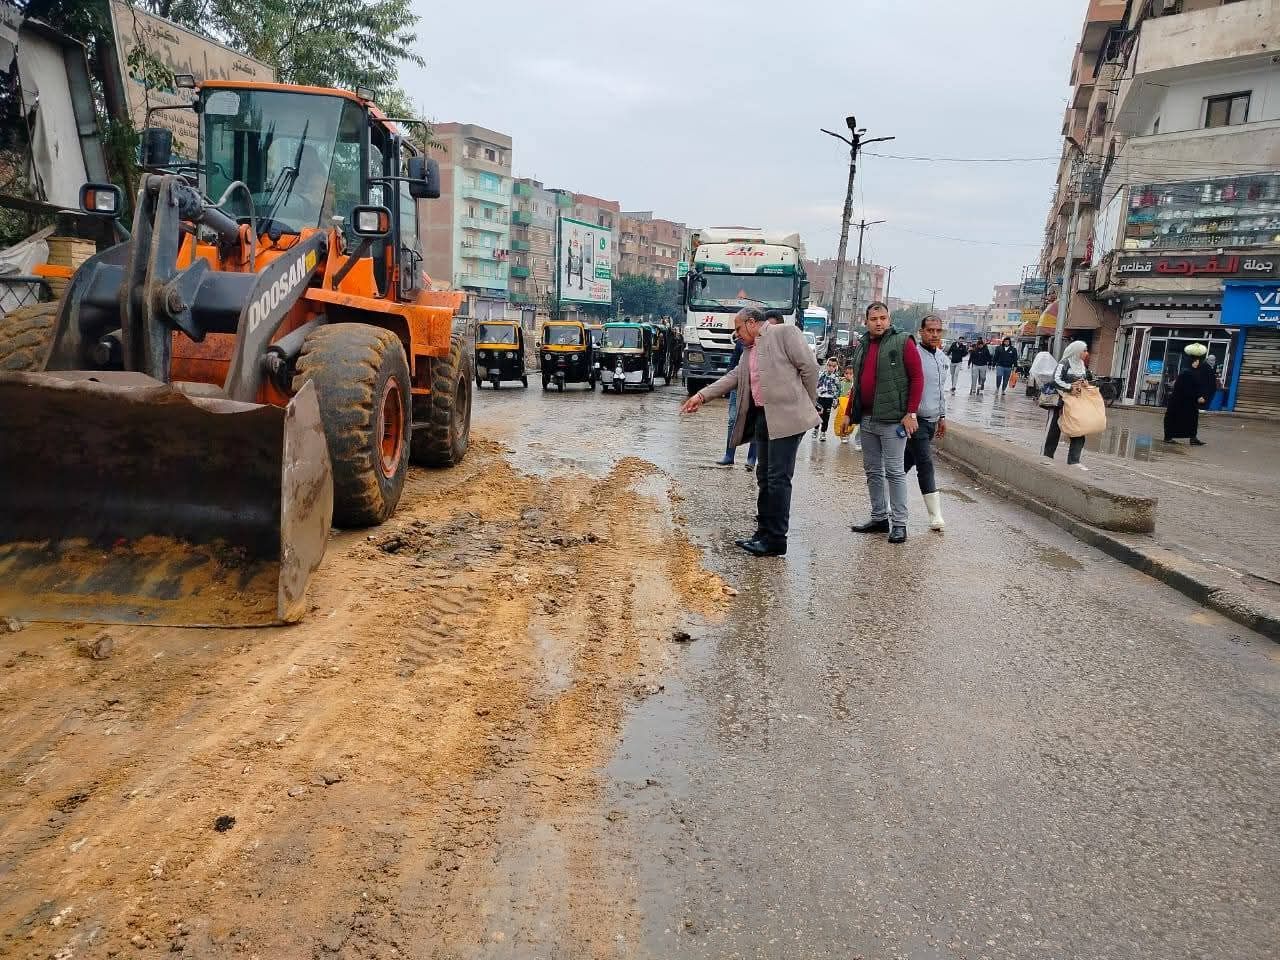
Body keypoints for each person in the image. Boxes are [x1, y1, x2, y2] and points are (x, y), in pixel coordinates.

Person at [682, 307, 819, 556]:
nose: (736, 334)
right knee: (764, 476)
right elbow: (734, 376)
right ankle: (763, 532)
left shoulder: (784, 333)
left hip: (788, 418)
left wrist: (806, 403)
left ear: (752, 323)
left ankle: (776, 539)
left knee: (778, 479)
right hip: (763, 417)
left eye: (738, 328)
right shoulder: (748, 351)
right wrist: (701, 396)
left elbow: (810, 368)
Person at [843, 302, 923, 544]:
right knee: (872, 470)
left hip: (893, 421)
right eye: (874, 318)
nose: (879, 322)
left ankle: (899, 523)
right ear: (866, 321)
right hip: (867, 418)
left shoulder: (903, 342)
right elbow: (858, 383)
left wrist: (911, 413)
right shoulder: (863, 345)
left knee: (895, 471)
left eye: (883, 318)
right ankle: (879, 518)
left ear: (889, 319)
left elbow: (917, 378)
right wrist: (849, 413)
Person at [904, 314, 948, 531]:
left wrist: (943, 417)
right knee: (925, 463)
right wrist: (908, 414)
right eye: (930, 330)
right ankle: (935, 516)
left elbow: (941, 391)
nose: (934, 334)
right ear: (921, 331)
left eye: (938, 331)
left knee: (905, 462)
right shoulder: (914, 355)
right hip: (915, 420)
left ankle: (882, 492)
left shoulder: (942, 358)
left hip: (932, 420)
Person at [1043, 340, 1094, 468]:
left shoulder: (1082, 365)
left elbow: (1085, 380)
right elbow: (1055, 380)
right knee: (1053, 431)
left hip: (1076, 404)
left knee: (1079, 431)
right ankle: (1046, 456)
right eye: (1084, 350)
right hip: (1060, 402)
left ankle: (1074, 460)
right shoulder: (1064, 363)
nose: (1086, 353)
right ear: (1076, 351)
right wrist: (1070, 387)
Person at [716, 334, 758, 469]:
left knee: (757, 422)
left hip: (757, 389)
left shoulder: (767, 344)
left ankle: (751, 459)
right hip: (738, 386)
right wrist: (725, 386)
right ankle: (729, 456)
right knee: (733, 420)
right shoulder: (741, 343)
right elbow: (732, 364)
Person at [1163, 343, 1210, 446]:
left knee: (1192, 419)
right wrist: (1197, 397)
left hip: (1187, 402)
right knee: (1174, 419)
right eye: (1197, 361)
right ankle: (1168, 437)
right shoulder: (1187, 373)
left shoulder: (1191, 372)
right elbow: (1187, 389)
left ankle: (1193, 438)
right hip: (1180, 402)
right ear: (1193, 362)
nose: (1198, 363)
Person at [815, 356, 840, 441]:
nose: (831, 368)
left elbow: (838, 389)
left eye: (833, 366)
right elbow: (816, 383)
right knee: (818, 415)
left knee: (826, 417)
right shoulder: (821, 374)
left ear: (836, 367)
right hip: (820, 398)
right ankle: (816, 429)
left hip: (829, 399)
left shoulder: (836, 378)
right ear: (826, 365)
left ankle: (823, 432)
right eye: (829, 365)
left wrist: (835, 400)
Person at [837, 364, 860, 448]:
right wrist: (836, 401)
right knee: (841, 419)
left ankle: (847, 433)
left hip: (850, 404)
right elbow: (838, 391)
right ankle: (843, 435)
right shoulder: (841, 382)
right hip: (842, 404)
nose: (848, 375)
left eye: (851, 374)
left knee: (850, 421)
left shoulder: (855, 383)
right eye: (846, 373)